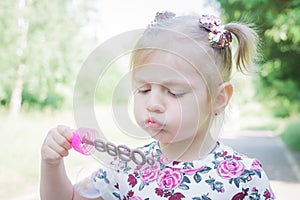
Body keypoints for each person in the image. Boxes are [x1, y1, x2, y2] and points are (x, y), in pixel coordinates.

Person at [40, 11, 275, 200]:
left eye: (173, 92)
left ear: (219, 98)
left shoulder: (244, 177)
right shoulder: (126, 166)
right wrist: (51, 164)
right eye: (143, 89)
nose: (152, 104)